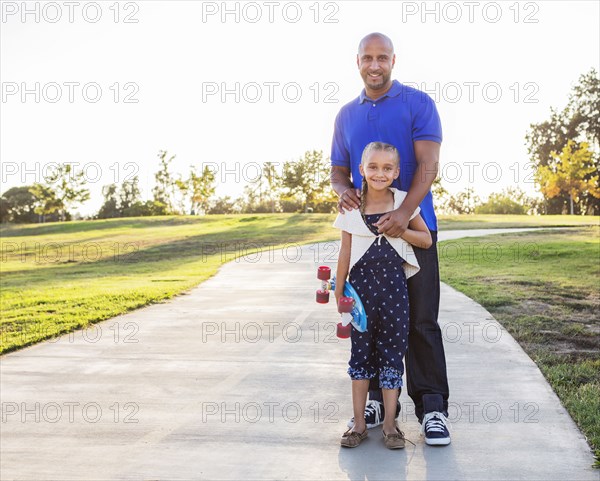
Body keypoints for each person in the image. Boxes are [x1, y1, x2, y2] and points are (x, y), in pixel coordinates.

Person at [330, 32, 451, 446]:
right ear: (357, 61)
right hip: (367, 236)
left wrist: (403, 214)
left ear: (393, 61)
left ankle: (433, 408)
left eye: (382, 57)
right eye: (368, 57)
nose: (375, 64)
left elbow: (427, 165)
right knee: (371, 326)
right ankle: (378, 406)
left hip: (414, 224)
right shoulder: (346, 114)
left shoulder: (418, 104)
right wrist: (342, 188)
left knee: (418, 321)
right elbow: (338, 170)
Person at [334, 141, 431, 450]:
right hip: (360, 295)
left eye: (387, 168)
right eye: (373, 167)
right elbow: (345, 253)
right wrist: (338, 291)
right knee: (360, 356)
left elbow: (426, 240)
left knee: (391, 356)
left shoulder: (403, 204)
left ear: (397, 172)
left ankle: (390, 424)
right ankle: (359, 424)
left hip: (393, 293)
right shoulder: (352, 207)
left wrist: (402, 230)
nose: (380, 173)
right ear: (361, 170)